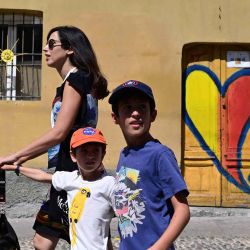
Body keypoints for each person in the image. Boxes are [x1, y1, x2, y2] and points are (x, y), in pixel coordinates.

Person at [0, 26, 109, 249]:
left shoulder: (76, 80)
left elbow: (59, 132)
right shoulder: (80, 80)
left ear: (69, 49)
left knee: (86, 238)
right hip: (73, 166)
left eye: (51, 44)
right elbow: (61, 134)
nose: (45, 49)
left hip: (74, 168)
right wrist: (21, 159)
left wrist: (17, 155)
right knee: (53, 239)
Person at [1, 127, 115, 250]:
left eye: (95, 151)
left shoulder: (109, 184)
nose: (90, 156)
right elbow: (42, 176)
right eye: (84, 150)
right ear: (73, 156)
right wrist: (15, 168)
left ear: (103, 154)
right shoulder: (71, 179)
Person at [108, 80, 190, 250]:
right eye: (128, 108)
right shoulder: (124, 154)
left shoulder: (160, 155)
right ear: (115, 117)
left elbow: (182, 210)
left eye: (142, 107)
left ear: (153, 115)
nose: (136, 113)